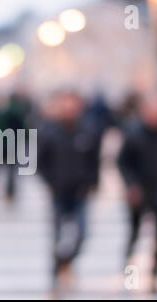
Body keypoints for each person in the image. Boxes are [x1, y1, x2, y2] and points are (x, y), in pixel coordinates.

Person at [118, 93, 157, 292]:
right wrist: (131, 185)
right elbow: (122, 162)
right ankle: (129, 274)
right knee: (134, 234)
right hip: (139, 193)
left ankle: (155, 276)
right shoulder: (134, 133)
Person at [37, 90, 99, 290]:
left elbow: (94, 161)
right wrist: (50, 182)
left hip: (80, 193)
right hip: (58, 192)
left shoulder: (87, 130)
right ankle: (55, 276)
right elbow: (40, 161)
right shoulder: (49, 131)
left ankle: (66, 262)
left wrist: (92, 182)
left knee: (81, 234)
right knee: (56, 237)